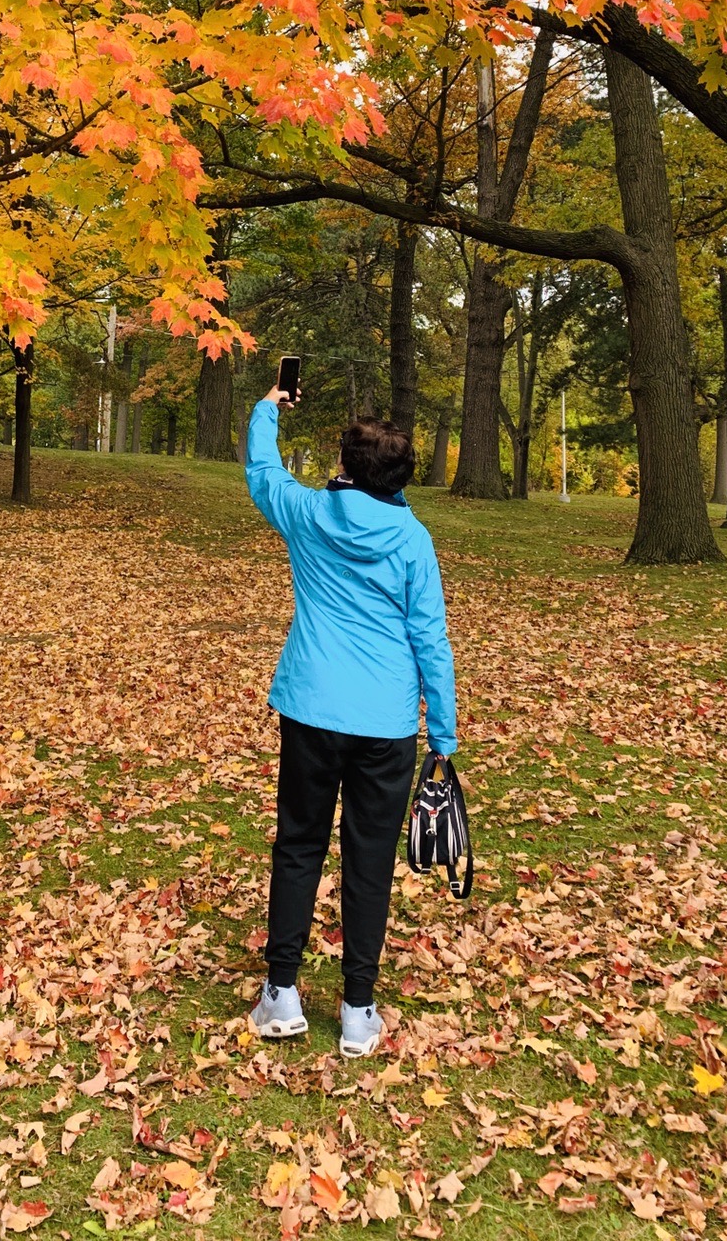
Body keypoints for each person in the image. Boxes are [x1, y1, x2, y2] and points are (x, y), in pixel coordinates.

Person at [244, 388, 457, 1058]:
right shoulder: (412, 539)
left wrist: (267, 409)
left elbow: (263, 473)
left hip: (312, 710)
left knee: (300, 845)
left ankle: (282, 994)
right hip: (385, 724)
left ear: (343, 465)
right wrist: (443, 735)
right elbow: (431, 638)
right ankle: (358, 1009)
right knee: (370, 862)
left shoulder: (310, 514)